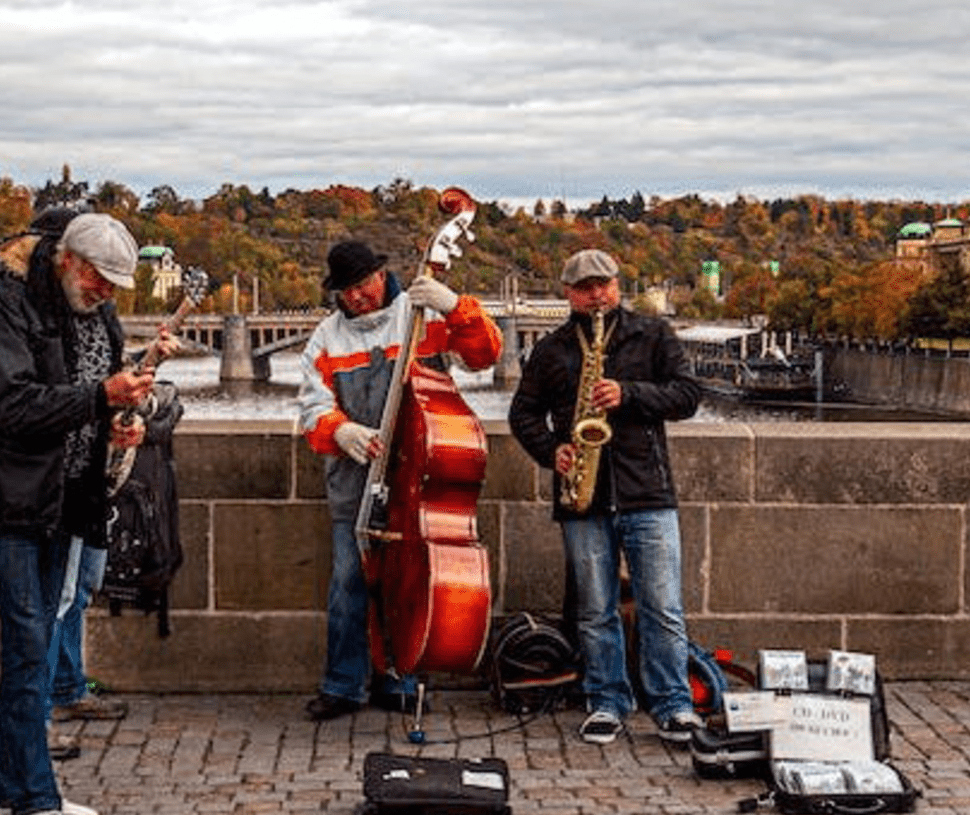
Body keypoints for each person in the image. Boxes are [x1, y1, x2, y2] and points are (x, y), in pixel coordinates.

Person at [0, 212, 155, 815]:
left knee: (37, 645)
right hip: (15, 499)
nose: (105, 295)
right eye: (100, 281)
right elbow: (15, 407)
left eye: (114, 287)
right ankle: (35, 803)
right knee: (27, 646)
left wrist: (121, 422)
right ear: (67, 260)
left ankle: (6, 789)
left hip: (72, 497)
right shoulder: (0, 307)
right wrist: (101, 397)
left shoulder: (97, 314)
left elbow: (99, 401)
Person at [297, 240, 502, 721]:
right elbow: (312, 408)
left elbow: (485, 353)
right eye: (347, 291)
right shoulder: (325, 338)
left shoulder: (420, 313)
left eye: (363, 285)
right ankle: (343, 684)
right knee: (349, 582)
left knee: (409, 584)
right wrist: (341, 431)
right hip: (355, 484)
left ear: (380, 274)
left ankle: (401, 676)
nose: (357, 297)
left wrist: (454, 306)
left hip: (419, 478)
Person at [508, 248, 703, 745]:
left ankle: (673, 703)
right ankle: (607, 700)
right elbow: (522, 415)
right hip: (584, 497)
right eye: (585, 287)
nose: (597, 295)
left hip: (647, 492)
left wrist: (630, 394)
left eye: (605, 285)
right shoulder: (551, 349)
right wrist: (553, 452)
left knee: (663, 606)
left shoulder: (653, 334)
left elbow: (686, 396)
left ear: (618, 285)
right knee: (595, 610)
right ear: (568, 293)